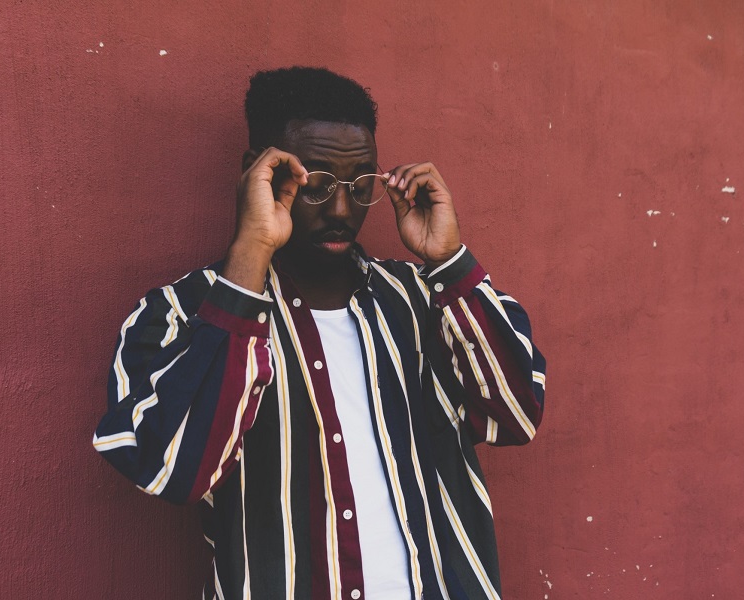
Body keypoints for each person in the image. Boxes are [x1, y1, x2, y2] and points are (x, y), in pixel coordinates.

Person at [93, 66, 546, 600]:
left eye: (358, 185)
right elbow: (174, 471)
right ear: (257, 173)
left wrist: (448, 261)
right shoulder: (181, 314)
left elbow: (516, 416)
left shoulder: (424, 299)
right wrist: (252, 251)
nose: (340, 209)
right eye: (316, 183)